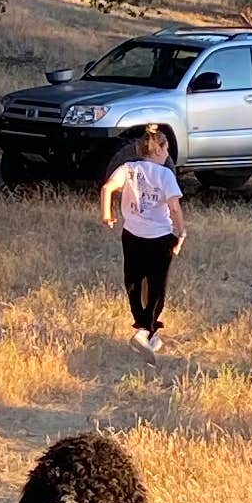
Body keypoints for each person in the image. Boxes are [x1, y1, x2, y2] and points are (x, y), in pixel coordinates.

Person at [100, 123, 184, 353]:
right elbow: (174, 207)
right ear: (159, 149)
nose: (167, 154)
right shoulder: (165, 174)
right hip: (160, 237)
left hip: (132, 235)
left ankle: (147, 331)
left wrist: (107, 214)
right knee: (156, 286)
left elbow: (107, 188)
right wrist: (182, 232)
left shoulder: (128, 169)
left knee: (134, 283)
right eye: (166, 149)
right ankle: (145, 330)